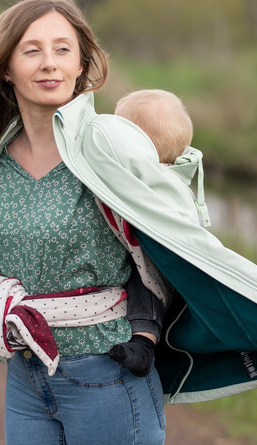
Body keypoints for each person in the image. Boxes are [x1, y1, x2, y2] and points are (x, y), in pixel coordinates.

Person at [0, 0, 257, 445]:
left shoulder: (109, 143)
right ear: (7, 69)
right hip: (27, 377)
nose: (49, 62)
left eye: (62, 49)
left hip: (107, 376)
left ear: (81, 64)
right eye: (32, 50)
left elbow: (182, 231)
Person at [107, 89, 198, 377]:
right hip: (125, 251)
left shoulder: (163, 184)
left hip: (156, 271)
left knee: (143, 283)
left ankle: (144, 343)